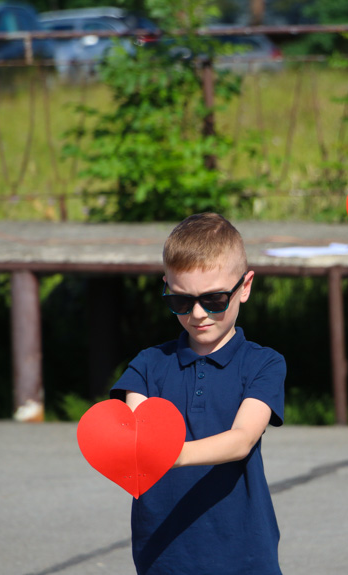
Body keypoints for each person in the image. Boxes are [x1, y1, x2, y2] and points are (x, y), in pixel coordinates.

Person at [111, 212, 285, 575]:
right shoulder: (147, 365)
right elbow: (137, 436)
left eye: (215, 299)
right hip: (164, 553)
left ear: (246, 286)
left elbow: (241, 440)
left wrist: (170, 454)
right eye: (180, 301)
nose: (197, 313)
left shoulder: (263, 364)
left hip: (244, 552)